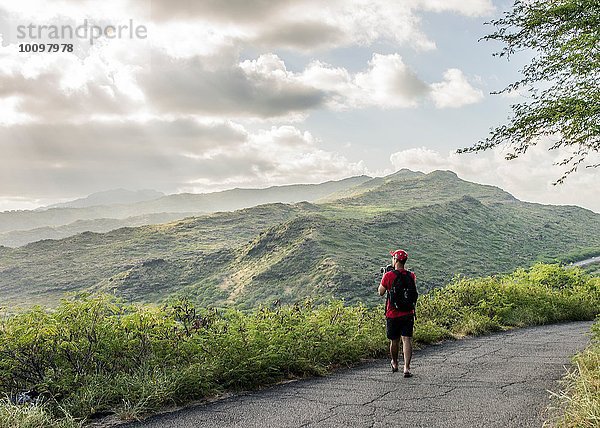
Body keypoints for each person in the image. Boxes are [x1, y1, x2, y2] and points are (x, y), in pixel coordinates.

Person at [378, 249, 416, 378]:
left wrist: (384, 276)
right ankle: (407, 368)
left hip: (392, 314)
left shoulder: (388, 276)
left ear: (396, 260)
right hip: (408, 313)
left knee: (394, 341)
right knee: (407, 340)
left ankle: (394, 363)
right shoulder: (411, 275)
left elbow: (381, 292)